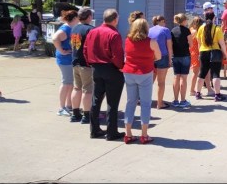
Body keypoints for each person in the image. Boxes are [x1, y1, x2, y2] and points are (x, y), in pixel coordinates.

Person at [84, 9, 125, 141]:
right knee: (112, 102)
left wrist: (90, 63)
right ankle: (111, 132)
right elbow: (117, 54)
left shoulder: (93, 31)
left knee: (96, 100)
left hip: (96, 68)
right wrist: (121, 67)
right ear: (115, 19)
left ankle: (94, 130)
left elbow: (85, 49)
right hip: (111, 68)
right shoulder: (114, 34)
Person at [122, 18, 161, 144]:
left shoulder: (127, 40)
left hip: (129, 72)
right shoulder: (151, 41)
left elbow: (127, 55)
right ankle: (144, 134)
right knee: (145, 103)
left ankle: (128, 133)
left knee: (130, 102)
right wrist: (149, 58)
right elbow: (159, 56)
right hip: (145, 72)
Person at [69, 8, 95, 123]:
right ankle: (86, 115)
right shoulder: (90, 30)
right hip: (86, 64)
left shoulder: (75, 28)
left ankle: (75, 113)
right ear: (89, 17)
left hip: (75, 61)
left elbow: (74, 45)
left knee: (76, 87)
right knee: (87, 89)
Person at [196, 11, 227, 102]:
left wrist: (199, 53)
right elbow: (222, 44)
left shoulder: (201, 28)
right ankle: (217, 95)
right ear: (214, 18)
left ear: (205, 18)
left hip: (203, 51)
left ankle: (198, 93)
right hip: (215, 52)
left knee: (202, 73)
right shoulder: (217, 29)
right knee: (215, 74)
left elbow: (199, 43)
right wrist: (226, 54)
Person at [52, 11, 79, 117]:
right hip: (65, 60)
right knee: (66, 82)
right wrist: (62, 51)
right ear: (75, 18)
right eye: (78, 17)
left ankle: (69, 105)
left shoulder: (72, 27)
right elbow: (55, 38)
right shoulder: (66, 28)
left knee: (70, 83)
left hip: (69, 59)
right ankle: (61, 108)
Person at [149, 15, 173, 109]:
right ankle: (160, 103)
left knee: (149, 81)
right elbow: (169, 47)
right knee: (161, 82)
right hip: (163, 57)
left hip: (151, 57)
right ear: (162, 21)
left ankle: (145, 101)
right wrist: (170, 59)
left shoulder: (149, 30)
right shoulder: (165, 30)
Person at [170, 13, 192, 108]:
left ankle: (175, 100)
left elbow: (170, 43)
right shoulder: (187, 30)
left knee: (176, 77)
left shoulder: (173, 30)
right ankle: (183, 100)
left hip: (175, 56)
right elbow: (190, 44)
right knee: (184, 78)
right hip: (185, 55)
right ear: (183, 20)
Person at [188, 16, 213, 99]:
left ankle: (209, 88)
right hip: (197, 52)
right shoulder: (196, 31)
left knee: (203, 71)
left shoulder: (191, 30)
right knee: (197, 72)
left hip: (193, 52)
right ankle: (192, 90)